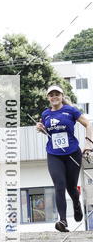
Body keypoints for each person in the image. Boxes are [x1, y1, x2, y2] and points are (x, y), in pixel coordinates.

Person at [36, 84, 93, 231]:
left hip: (72, 153)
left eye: (57, 94)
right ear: (48, 98)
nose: (54, 96)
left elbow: (88, 124)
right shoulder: (45, 114)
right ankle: (62, 221)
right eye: (51, 94)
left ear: (61, 96)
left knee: (71, 187)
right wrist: (41, 129)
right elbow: (49, 132)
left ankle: (76, 204)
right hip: (54, 154)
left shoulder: (70, 110)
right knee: (59, 185)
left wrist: (88, 143)